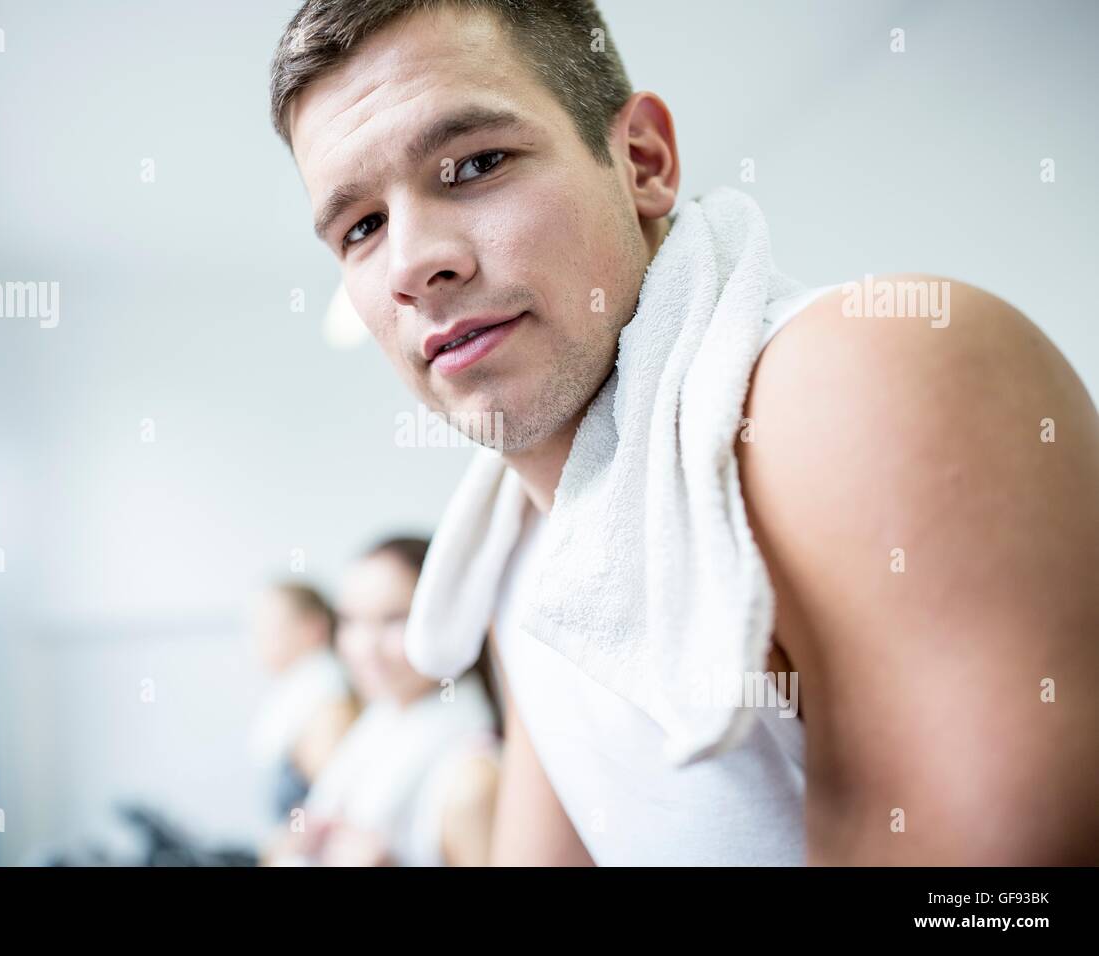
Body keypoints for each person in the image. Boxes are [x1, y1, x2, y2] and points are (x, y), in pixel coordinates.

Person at [266, 0, 1099, 864]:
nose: (410, 264)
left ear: (642, 161)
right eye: (360, 227)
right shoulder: (525, 551)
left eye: (475, 163)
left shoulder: (866, 373)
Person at [264, 537, 501, 866]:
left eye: (394, 619)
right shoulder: (375, 728)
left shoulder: (472, 781)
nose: (365, 647)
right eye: (350, 620)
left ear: (448, 620)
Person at [248, 582, 358, 826]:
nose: (258, 643)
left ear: (314, 628)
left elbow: (340, 809)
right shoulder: (300, 692)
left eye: (270, 629)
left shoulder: (325, 700)